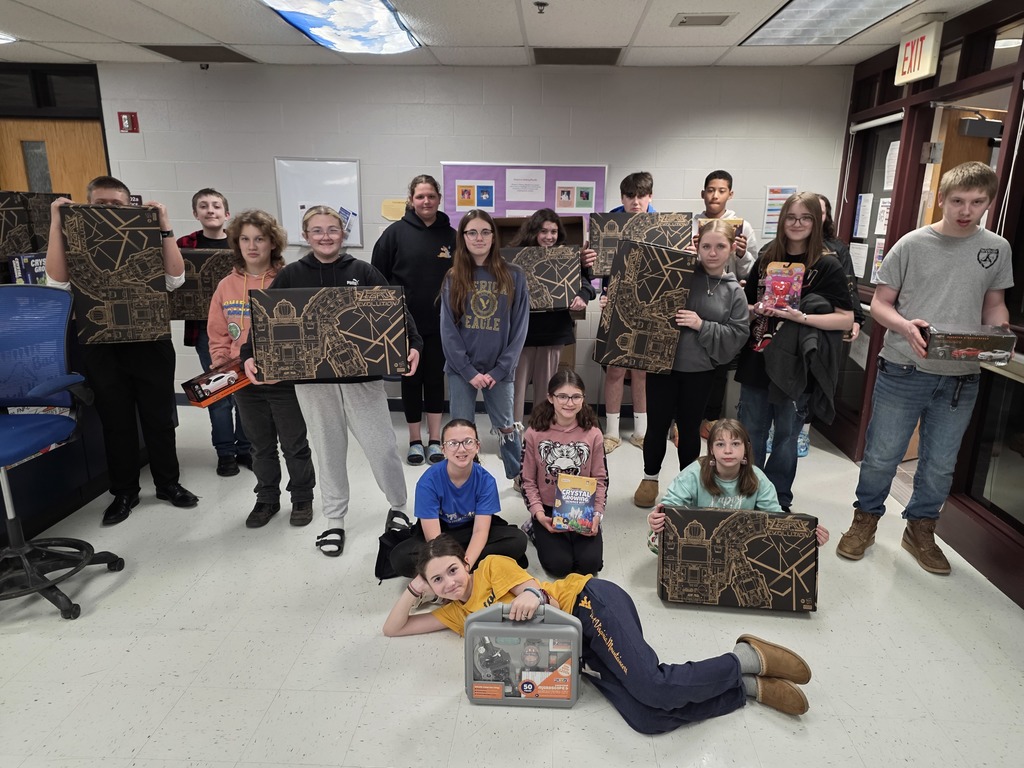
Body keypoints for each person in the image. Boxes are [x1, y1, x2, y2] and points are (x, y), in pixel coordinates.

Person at [383, 536, 815, 732]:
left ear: (465, 563)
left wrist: (531, 596)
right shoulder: (457, 616)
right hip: (576, 657)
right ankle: (745, 689)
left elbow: (531, 589)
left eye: (451, 571)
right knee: (646, 717)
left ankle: (745, 657)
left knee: (652, 684)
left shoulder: (492, 568)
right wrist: (413, 588)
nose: (449, 583)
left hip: (585, 605)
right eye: (437, 581)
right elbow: (394, 629)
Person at [838, 161, 1014, 575]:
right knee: (882, 455)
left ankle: (920, 529)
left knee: (939, 463)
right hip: (904, 368)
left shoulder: (996, 248)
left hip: (961, 377)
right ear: (942, 199)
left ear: (989, 203)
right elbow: (880, 303)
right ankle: (865, 520)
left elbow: (993, 304)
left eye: (976, 202)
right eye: (957, 201)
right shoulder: (912, 244)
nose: (965, 210)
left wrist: (999, 328)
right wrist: (904, 324)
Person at [241, 205, 422, 557]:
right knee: (328, 452)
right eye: (317, 230)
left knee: (381, 447)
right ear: (306, 236)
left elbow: (394, 310)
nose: (325, 236)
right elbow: (262, 321)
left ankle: (399, 507)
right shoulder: (291, 275)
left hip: (363, 380)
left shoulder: (364, 271)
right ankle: (334, 520)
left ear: (343, 235)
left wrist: (413, 343)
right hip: (313, 383)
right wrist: (250, 352)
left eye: (332, 230)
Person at [44, 175, 198, 526]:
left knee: (159, 418)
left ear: (130, 205)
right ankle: (124, 491)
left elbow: (175, 279)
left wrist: (164, 226)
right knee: (116, 422)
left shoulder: (145, 235)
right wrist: (57, 223)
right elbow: (56, 281)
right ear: (88, 205)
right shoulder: (78, 239)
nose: (109, 209)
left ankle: (168, 484)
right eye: (101, 204)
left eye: (117, 203)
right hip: (101, 342)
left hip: (150, 341)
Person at [734, 192, 853, 512]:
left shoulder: (827, 264)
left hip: (798, 363)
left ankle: (778, 499)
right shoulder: (766, 258)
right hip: (759, 355)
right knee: (751, 434)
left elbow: (847, 317)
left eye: (805, 218)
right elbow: (745, 306)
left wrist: (804, 317)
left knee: (786, 437)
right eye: (791, 217)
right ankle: (749, 496)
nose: (797, 224)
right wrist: (755, 308)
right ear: (782, 220)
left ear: (818, 222)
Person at [633, 219, 750, 508]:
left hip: (700, 370)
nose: (712, 253)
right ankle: (650, 478)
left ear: (732, 248)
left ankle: (688, 485)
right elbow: (645, 285)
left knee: (689, 430)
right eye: (706, 246)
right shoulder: (681, 273)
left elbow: (738, 334)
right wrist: (673, 259)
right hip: (661, 364)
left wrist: (702, 325)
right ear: (697, 245)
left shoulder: (734, 291)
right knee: (657, 425)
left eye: (720, 246)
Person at [210, 209, 315, 528]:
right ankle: (266, 498)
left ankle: (302, 498)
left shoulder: (289, 279)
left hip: (284, 378)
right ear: (237, 243)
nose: (252, 246)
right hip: (243, 379)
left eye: (260, 239)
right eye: (245, 239)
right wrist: (220, 361)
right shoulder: (227, 286)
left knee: (294, 443)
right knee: (259, 445)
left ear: (273, 243)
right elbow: (217, 332)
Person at [371, 174, 456, 466]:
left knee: (434, 380)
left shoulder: (452, 236)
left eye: (431, 196)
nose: (426, 201)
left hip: (441, 324)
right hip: (403, 325)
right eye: (420, 196)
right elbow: (376, 279)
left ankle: (434, 440)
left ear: (439, 199)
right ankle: (414, 440)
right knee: (410, 381)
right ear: (411, 200)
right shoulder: (394, 234)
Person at [440, 208, 529, 484]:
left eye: (485, 232)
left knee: (506, 426)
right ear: (463, 237)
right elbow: (448, 330)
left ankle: (518, 477)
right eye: (472, 232)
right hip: (460, 369)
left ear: (494, 236)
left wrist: (500, 369)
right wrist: (467, 371)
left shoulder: (514, 276)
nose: (479, 238)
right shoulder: (454, 277)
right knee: (462, 429)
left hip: (499, 370)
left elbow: (520, 327)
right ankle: (466, 477)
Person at [646, 419, 829, 553]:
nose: (727, 450)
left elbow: (777, 519)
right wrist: (655, 518)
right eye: (720, 444)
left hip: (741, 545)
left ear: (745, 449)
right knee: (656, 539)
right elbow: (669, 506)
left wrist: (808, 537)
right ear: (711, 450)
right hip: (698, 541)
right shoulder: (693, 473)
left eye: (735, 444)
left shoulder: (758, 478)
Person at [388, 419, 528, 578]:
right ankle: (476, 567)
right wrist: (453, 566)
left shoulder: (486, 480)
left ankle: (448, 571)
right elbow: (434, 539)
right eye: (453, 443)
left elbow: (480, 531)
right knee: (400, 558)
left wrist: (465, 566)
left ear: (477, 446)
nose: (461, 449)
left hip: (471, 530)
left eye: (468, 442)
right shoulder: (428, 482)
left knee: (517, 540)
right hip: (441, 534)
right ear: (443, 449)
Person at [177, 188, 252, 477]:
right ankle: (225, 453)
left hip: (244, 327)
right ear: (196, 214)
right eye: (204, 206)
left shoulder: (239, 246)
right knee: (220, 392)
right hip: (206, 331)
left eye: (217, 205)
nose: (211, 210)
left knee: (246, 391)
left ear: (226, 213)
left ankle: (246, 448)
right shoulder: (184, 245)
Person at [507, 209, 596, 423]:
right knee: (515, 388)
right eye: (543, 231)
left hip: (553, 331)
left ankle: (539, 430)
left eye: (554, 231)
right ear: (533, 231)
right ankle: (512, 436)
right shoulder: (515, 257)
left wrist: (583, 295)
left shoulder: (566, 256)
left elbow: (586, 286)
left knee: (546, 388)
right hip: (522, 333)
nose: (549, 236)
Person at [521, 370, 607, 576]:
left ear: (583, 399)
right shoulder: (534, 432)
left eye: (576, 396)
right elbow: (527, 481)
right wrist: (539, 515)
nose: (570, 403)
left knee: (589, 566)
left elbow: (600, 480)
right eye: (562, 396)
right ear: (551, 398)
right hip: (548, 509)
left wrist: (597, 515)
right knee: (559, 566)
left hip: (581, 508)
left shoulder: (593, 433)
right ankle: (533, 528)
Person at [695, 170, 760, 440]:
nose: (715, 195)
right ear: (703, 193)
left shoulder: (742, 228)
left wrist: (742, 254)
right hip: (696, 296)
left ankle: (709, 418)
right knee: (688, 360)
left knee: (718, 363)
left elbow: (752, 270)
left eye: (721, 190)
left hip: (725, 300)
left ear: (730, 194)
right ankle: (685, 418)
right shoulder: (692, 223)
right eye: (711, 190)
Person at [602, 171, 655, 452]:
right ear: (623, 197)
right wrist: (602, 293)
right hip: (616, 303)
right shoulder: (609, 223)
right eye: (630, 196)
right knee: (615, 367)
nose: (636, 202)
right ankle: (611, 432)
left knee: (642, 372)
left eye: (642, 196)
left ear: (650, 197)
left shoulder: (663, 224)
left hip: (649, 305)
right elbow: (601, 268)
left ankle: (641, 431)